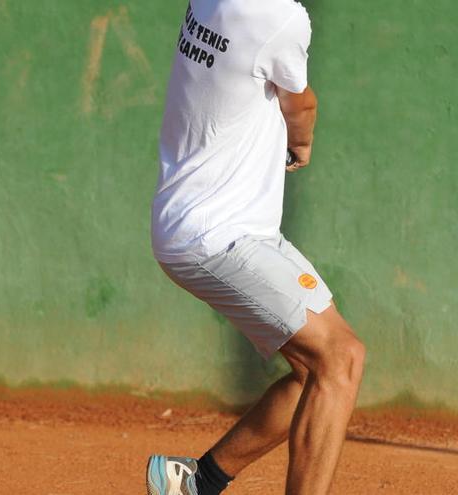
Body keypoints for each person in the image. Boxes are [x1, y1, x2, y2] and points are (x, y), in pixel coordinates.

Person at [147, 1, 365, 494]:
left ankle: (195, 482)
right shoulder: (278, 17)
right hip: (218, 234)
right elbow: (300, 104)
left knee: (318, 369)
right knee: (341, 357)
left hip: (220, 227)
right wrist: (302, 142)